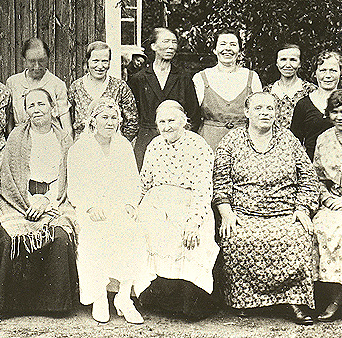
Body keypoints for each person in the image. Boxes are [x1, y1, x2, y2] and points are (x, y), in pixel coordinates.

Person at [213, 92, 319, 325]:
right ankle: (245, 300)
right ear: (247, 112)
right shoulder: (231, 141)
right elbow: (220, 181)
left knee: (297, 235)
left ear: (276, 113)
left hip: (285, 212)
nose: (265, 113)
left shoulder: (288, 139)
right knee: (236, 237)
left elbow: (308, 177)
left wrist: (302, 208)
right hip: (244, 213)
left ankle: (294, 301)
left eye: (270, 108)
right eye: (258, 108)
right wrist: (226, 212)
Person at [0, 88, 78, 316]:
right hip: (20, 200)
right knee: (11, 239)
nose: (36, 109)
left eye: (41, 104)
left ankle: (54, 305)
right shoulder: (17, 137)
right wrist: (29, 201)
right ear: (26, 111)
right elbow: (10, 176)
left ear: (52, 108)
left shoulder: (64, 139)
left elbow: (68, 177)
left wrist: (46, 201)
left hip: (55, 199)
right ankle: (12, 305)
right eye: (31, 105)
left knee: (59, 238)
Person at [132, 100, 218, 320]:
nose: (167, 126)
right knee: (144, 231)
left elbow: (203, 188)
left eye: (171, 120)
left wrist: (194, 221)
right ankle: (155, 299)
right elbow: (144, 183)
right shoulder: (154, 145)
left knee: (192, 238)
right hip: (156, 205)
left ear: (184, 121)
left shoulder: (198, 145)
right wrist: (133, 207)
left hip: (189, 205)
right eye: (162, 122)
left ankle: (188, 304)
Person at [68, 97, 146, 324]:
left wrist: (130, 204)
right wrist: (90, 207)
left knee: (133, 232)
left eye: (114, 118)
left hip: (119, 205)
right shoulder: (79, 148)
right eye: (104, 117)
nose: (110, 122)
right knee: (95, 234)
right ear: (93, 120)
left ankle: (123, 297)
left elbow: (133, 182)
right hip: (91, 207)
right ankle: (99, 297)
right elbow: (75, 187)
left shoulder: (123, 146)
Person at [129, 28, 201, 168]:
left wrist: (183, 138)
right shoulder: (139, 79)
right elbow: (131, 115)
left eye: (174, 42)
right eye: (166, 41)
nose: (171, 46)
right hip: (146, 142)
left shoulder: (183, 78)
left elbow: (194, 114)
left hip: (178, 144)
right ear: (153, 46)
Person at [311, 89, 342, 322]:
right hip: (330, 202)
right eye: (335, 112)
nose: (340, 117)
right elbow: (316, 176)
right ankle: (335, 297)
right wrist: (326, 198)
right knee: (318, 228)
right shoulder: (323, 139)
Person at [192, 29, 262, 151]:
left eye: (233, 44)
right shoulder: (200, 78)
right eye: (223, 44)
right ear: (214, 49)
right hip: (208, 143)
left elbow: (259, 113)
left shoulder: (252, 77)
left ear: (239, 50)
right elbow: (192, 115)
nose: (228, 49)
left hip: (244, 143)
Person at [69, 41, 138, 142]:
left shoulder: (120, 87)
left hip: (112, 146)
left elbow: (132, 121)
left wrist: (118, 142)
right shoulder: (76, 87)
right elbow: (68, 121)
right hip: (83, 145)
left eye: (104, 61)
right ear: (87, 61)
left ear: (109, 62)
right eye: (95, 61)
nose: (100, 66)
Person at [6, 38, 72, 137]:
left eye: (42, 61)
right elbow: (9, 121)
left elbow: (66, 126)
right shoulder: (13, 83)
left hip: (49, 138)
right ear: (24, 60)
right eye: (32, 61)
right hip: (20, 138)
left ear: (48, 59)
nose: (37, 66)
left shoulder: (57, 84)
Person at [290, 51, 342, 160]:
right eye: (323, 70)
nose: (328, 75)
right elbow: (294, 143)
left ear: (341, 72)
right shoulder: (303, 105)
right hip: (312, 166)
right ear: (315, 73)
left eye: (333, 70)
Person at [263, 44, 316, 129]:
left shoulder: (310, 91)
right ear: (277, 63)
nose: (288, 65)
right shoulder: (267, 92)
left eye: (293, 60)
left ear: (300, 63)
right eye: (283, 59)